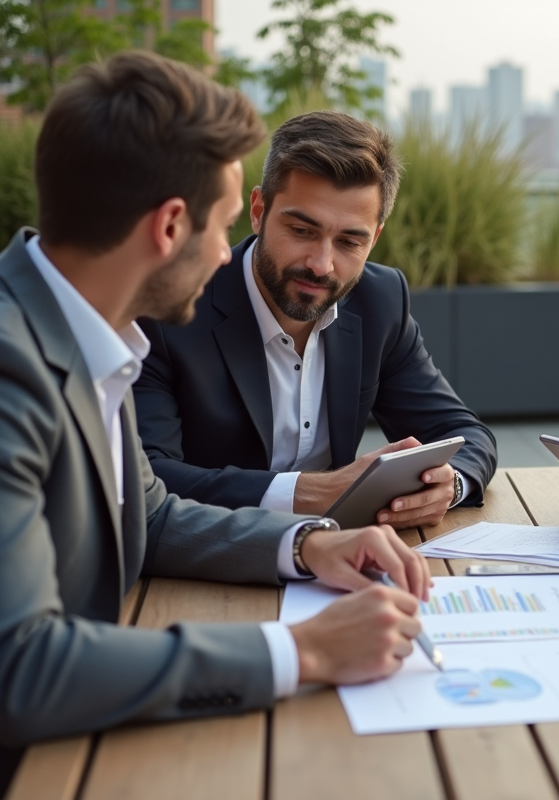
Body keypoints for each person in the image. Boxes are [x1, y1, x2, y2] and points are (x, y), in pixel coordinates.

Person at [0, 53, 435, 791]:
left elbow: (151, 515)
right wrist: (301, 651)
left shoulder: (83, 336)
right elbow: (23, 669)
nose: (227, 254)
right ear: (171, 225)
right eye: (229, 223)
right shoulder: (14, 371)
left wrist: (310, 545)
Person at [134, 110, 497, 529]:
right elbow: (146, 475)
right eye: (302, 230)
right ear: (258, 210)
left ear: (375, 238)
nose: (321, 264)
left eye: (349, 242)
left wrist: (448, 486)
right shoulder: (169, 309)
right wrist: (308, 492)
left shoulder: (380, 301)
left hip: (344, 551)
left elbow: (463, 433)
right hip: (204, 553)